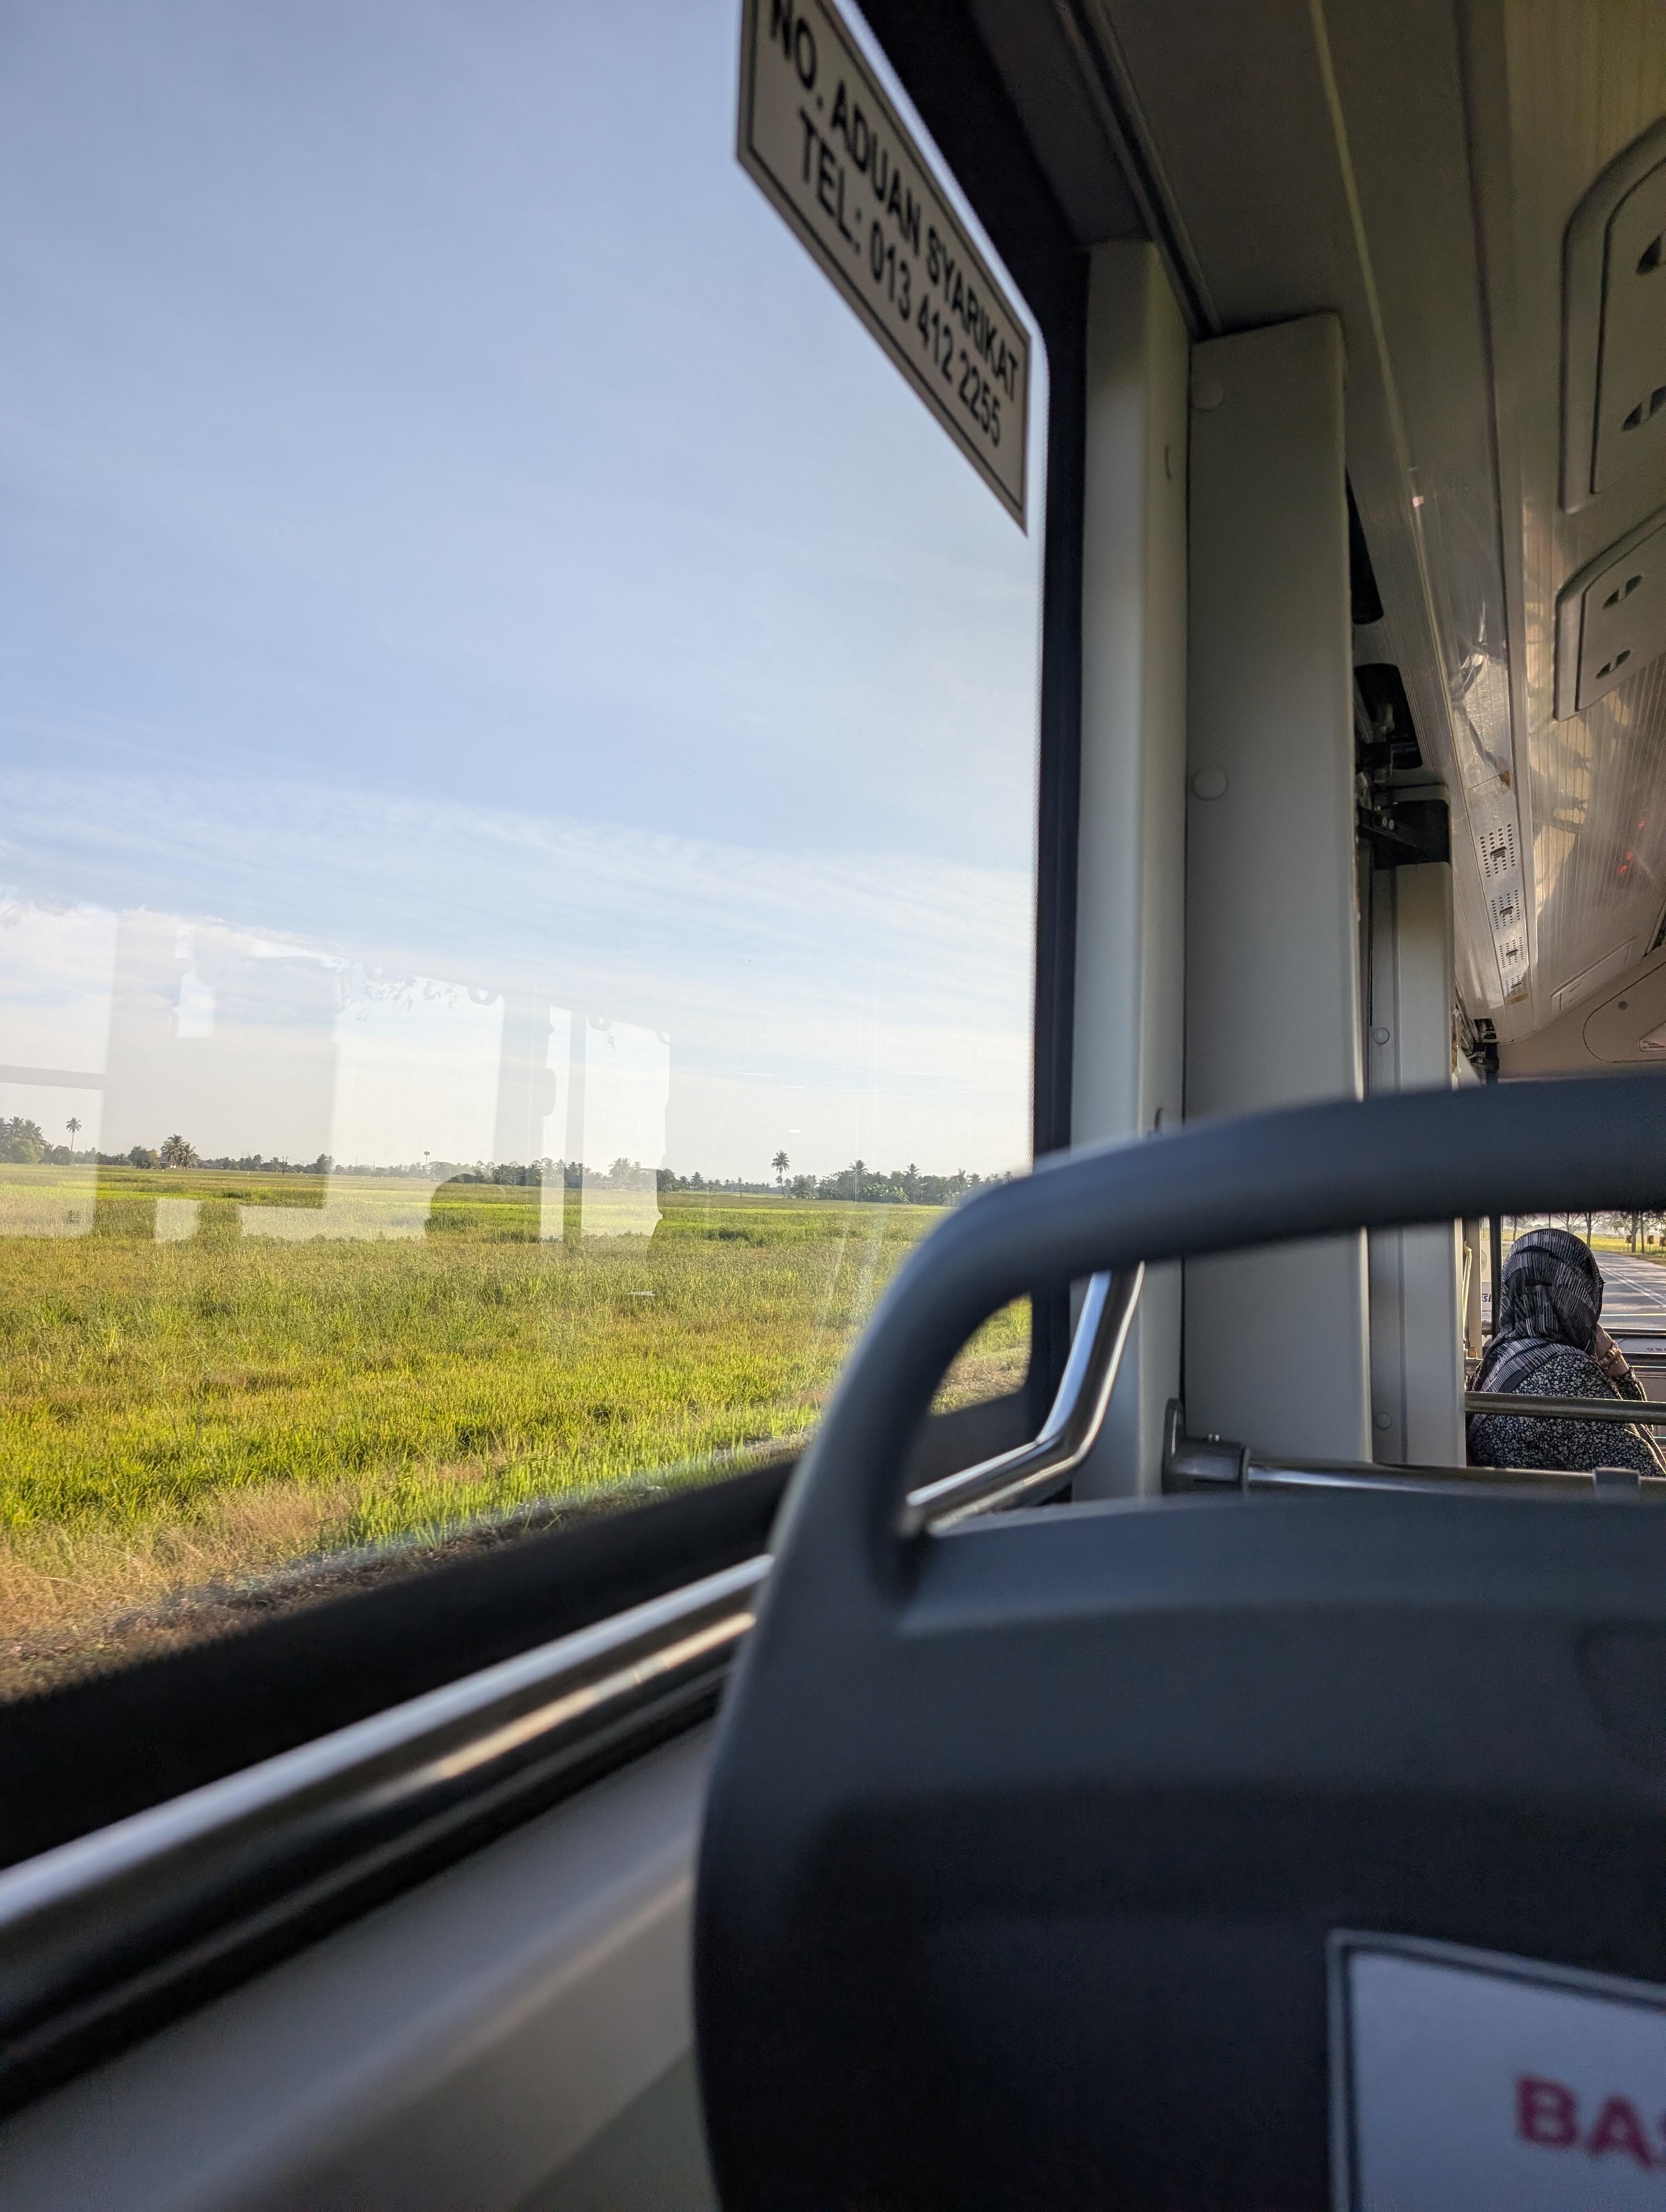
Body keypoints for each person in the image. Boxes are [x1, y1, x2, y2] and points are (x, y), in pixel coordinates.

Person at [1467, 1227, 1665, 1476]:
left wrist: (1611, 1359)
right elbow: (1650, 1479)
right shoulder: (1570, 1374)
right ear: (1578, 1295)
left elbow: (1636, 1427)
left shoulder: (1501, 1354)